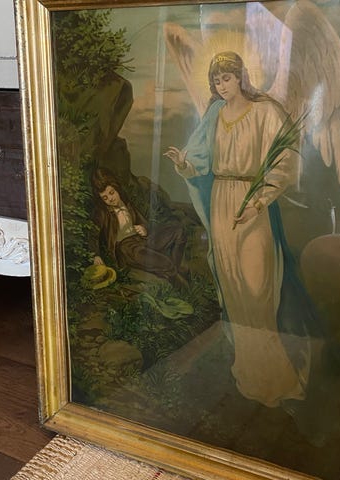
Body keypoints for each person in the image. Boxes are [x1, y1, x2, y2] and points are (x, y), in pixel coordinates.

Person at [164, 51, 321, 408]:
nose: (221, 85)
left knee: (256, 289)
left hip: (252, 204)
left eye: (227, 78)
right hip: (222, 200)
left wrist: (259, 201)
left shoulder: (265, 112)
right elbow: (199, 161)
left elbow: (284, 161)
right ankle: (250, 373)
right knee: (234, 289)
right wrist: (184, 164)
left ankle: (276, 376)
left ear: (241, 77)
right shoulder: (215, 114)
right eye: (216, 80)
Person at [90, 168, 187, 288]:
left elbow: (144, 222)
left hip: (143, 240)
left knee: (178, 231)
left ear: (117, 189)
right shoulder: (102, 213)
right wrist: (96, 255)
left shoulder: (126, 203)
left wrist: (144, 228)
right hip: (127, 248)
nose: (110, 198)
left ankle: (174, 271)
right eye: (105, 198)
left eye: (111, 192)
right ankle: (177, 279)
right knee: (165, 263)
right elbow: (93, 234)